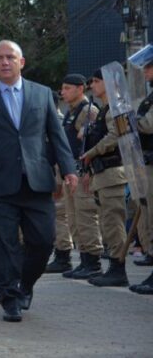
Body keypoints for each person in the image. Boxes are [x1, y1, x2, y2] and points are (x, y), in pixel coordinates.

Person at [0, 40, 78, 322]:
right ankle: (10, 298)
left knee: (43, 241)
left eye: (11, 57)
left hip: (37, 182)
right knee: (4, 244)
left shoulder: (42, 94)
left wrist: (69, 169)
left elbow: (56, 135)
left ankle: (25, 285)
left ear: (21, 62)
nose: (5, 62)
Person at [47, 74, 103, 277]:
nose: (63, 92)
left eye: (67, 88)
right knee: (73, 218)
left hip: (83, 172)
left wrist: (88, 171)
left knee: (86, 216)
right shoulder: (71, 112)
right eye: (62, 88)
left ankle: (93, 262)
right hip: (69, 173)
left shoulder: (89, 111)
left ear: (80, 89)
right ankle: (81, 259)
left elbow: (93, 142)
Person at [80, 69, 129, 287]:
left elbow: (116, 135)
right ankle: (114, 267)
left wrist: (92, 152)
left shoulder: (116, 107)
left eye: (96, 81)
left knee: (113, 222)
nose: (92, 86)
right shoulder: (105, 109)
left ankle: (118, 268)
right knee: (108, 224)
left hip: (112, 172)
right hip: (103, 174)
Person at [130, 50, 153, 294]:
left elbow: (148, 124)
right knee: (147, 216)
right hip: (146, 162)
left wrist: (130, 119)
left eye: (149, 67)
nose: (145, 71)